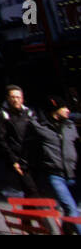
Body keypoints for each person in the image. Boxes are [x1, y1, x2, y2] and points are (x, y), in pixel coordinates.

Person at [31, 96, 79, 227]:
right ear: (55, 109)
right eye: (64, 107)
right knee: (71, 209)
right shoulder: (41, 127)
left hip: (73, 175)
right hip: (55, 175)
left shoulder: (71, 126)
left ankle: (67, 231)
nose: (68, 110)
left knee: (72, 210)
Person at [0, 85, 41, 197]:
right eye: (13, 97)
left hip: (33, 157)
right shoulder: (3, 115)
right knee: (32, 190)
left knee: (32, 190)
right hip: (18, 158)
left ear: (22, 98)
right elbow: (2, 139)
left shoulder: (30, 113)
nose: (16, 100)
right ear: (8, 98)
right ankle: (42, 214)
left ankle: (29, 213)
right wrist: (13, 161)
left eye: (18, 97)